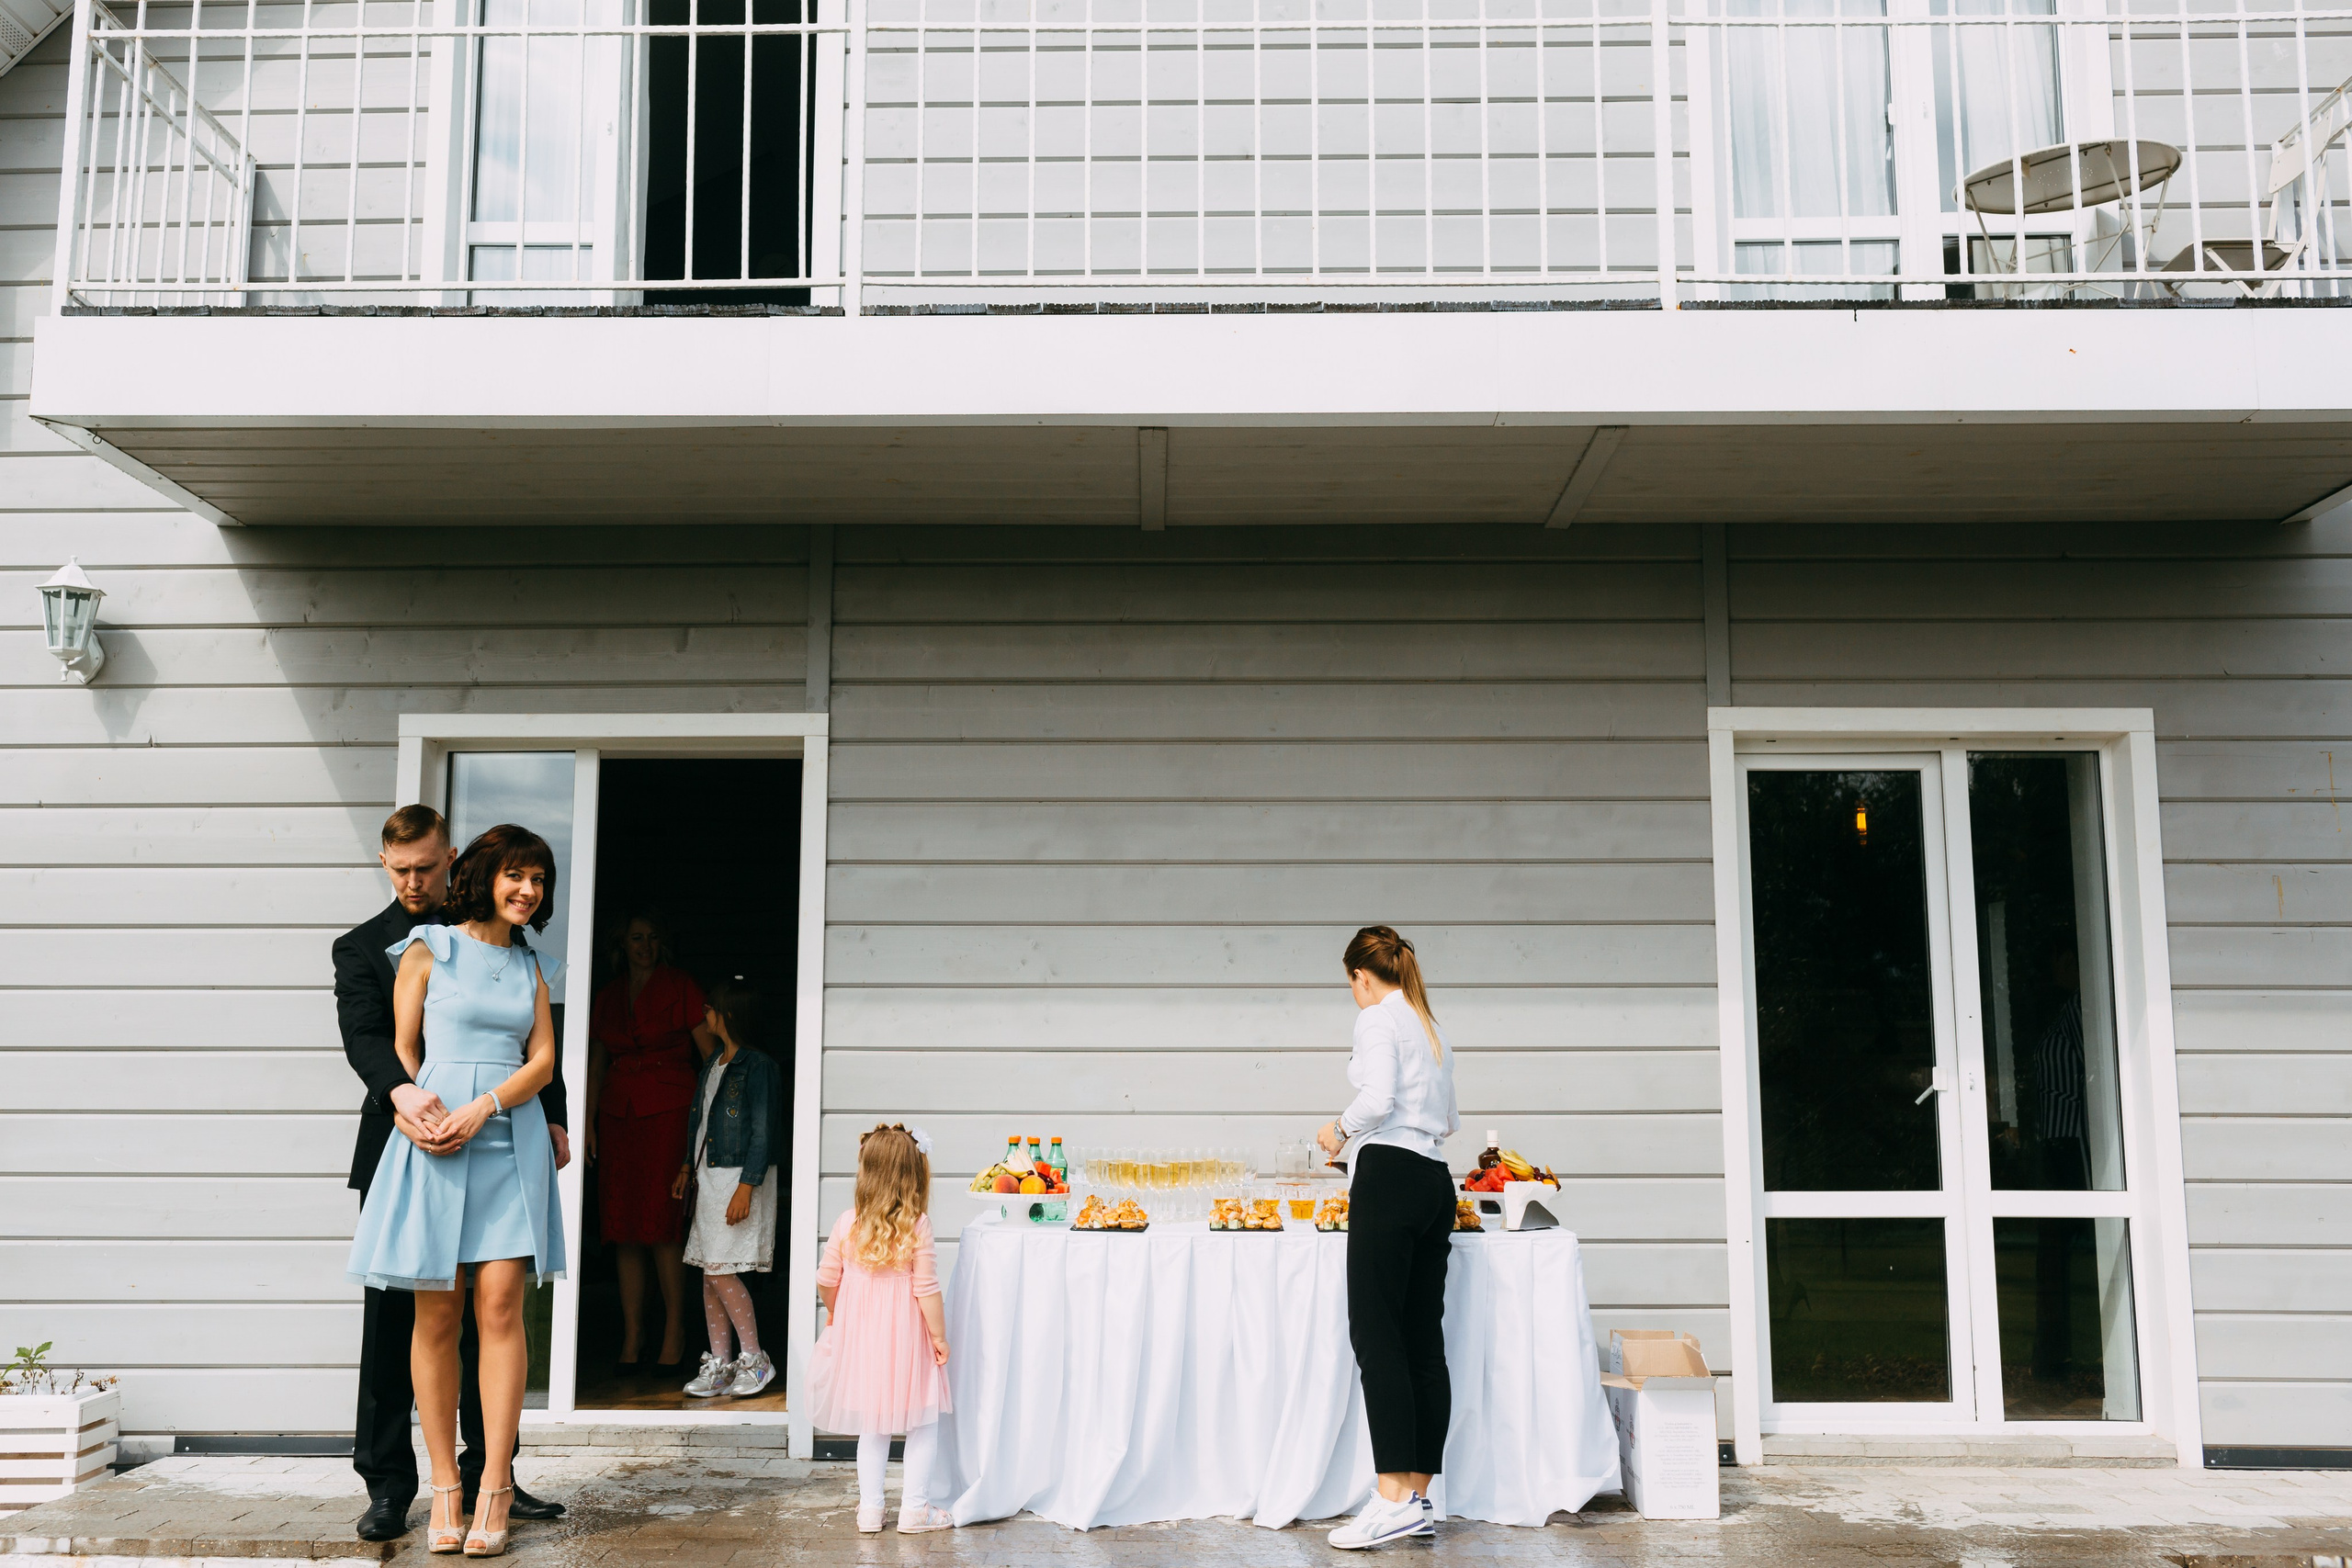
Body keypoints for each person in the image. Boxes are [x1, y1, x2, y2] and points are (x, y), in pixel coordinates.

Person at [333, 807, 567, 1543]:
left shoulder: (522, 951)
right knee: (408, 1319)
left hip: (504, 1135)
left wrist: (545, 1114)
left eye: (424, 867)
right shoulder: (381, 946)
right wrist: (411, 1103)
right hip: (416, 1138)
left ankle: (493, 1479)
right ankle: (398, 1485)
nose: (412, 879)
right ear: (384, 864)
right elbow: (378, 1044)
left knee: (497, 1309)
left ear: (450, 860)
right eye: (400, 869)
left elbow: (534, 1049)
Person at [1315, 925, 1458, 1551]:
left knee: (1377, 1336)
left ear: (1361, 976)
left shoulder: (1377, 1018)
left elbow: (1376, 1099)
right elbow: (1448, 1120)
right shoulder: (1429, 1024)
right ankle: (1417, 1497)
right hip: (1433, 1178)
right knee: (1423, 1338)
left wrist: (1337, 1132)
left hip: (1392, 1177)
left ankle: (1389, 1497)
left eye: (1351, 983)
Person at [808, 1123, 954, 1536]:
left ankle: (870, 1511)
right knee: (923, 1422)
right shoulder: (917, 1224)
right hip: (908, 1340)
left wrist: (838, 1313)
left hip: (863, 1341)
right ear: (913, 1175)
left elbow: (825, 1278)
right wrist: (939, 1337)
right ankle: (915, 1510)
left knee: (872, 1425)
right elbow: (926, 1290)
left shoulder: (847, 1223)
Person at [586, 912, 709, 1371]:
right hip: (619, 1115)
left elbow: (710, 1055)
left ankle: (675, 1328)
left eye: (653, 937)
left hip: (670, 1113)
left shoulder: (680, 985)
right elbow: (596, 1064)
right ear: (623, 943)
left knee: (662, 1224)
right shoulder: (608, 995)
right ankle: (633, 1332)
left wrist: (706, 1123)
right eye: (636, 937)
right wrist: (588, 1120)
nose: (645, 945)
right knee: (623, 1228)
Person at [673, 977, 785, 1400]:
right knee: (710, 1271)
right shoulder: (714, 1063)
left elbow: (763, 1131)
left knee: (721, 1269)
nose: (704, 1014)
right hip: (710, 1176)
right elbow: (699, 1124)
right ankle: (720, 1363)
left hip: (739, 1177)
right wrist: (688, 1164)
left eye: (710, 1007)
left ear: (729, 1014)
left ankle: (755, 1358)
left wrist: (747, 1185)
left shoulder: (759, 1067)